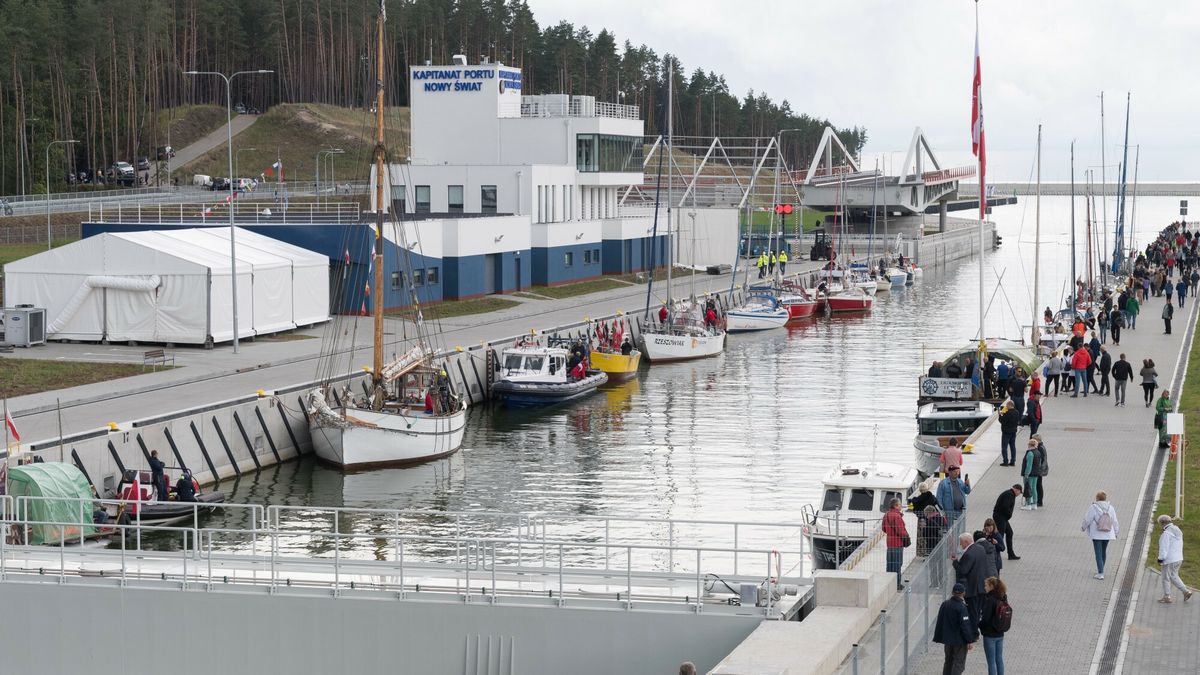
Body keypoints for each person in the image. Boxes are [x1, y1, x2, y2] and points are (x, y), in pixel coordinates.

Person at [933, 582, 978, 675]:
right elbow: (965, 626)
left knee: (948, 661)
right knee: (958, 663)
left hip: (948, 640)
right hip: (959, 641)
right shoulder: (962, 608)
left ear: (953, 592)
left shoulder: (945, 604)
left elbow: (940, 621)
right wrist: (969, 640)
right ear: (963, 593)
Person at [954, 532, 989, 631]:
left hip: (972, 588)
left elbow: (963, 570)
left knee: (972, 612)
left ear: (966, 541)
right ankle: (975, 631)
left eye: (961, 543)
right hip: (981, 586)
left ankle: (974, 633)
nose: (961, 545)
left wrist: (955, 562)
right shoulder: (980, 549)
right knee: (977, 611)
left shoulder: (969, 554)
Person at [1081, 491, 1119, 580]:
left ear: (1097, 498)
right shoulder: (1111, 508)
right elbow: (1114, 521)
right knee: (1103, 551)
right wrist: (1116, 532)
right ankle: (1101, 569)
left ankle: (1100, 573)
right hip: (1108, 533)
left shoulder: (1093, 507)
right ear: (1105, 498)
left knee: (1098, 553)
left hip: (1097, 534)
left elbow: (1087, 519)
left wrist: (1083, 527)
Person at [978, 576, 1010, 675]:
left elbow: (986, 618)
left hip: (989, 635)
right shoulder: (1003, 597)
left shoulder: (990, 600)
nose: (984, 587)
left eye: (986, 585)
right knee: (999, 659)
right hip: (1000, 633)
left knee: (991, 662)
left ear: (991, 586)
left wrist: (979, 625)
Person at [1156, 514, 1192, 603]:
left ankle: (1167, 596)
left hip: (1169, 559)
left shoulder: (1166, 534)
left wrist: (1161, 559)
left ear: (1162, 523)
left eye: (1160, 523)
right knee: (1173, 576)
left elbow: (1164, 547)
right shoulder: (1177, 530)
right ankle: (1186, 592)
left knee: (1165, 577)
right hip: (1179, 558)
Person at [882, 497, 909, 590]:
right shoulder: (897, 516)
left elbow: (884, 529)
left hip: (889, 543)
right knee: (897, 564)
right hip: (897, 543)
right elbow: (901, 530)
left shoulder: (886, 515)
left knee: (890, 564)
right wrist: (906, 537)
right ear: (895, 506)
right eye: (900, 504)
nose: (901, 506)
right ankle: (897, 584)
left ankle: (889, 583)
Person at [992, 484, 1022, 561]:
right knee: (1000, 536)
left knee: (1009, 533)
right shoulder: (1009, 495)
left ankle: (1011, 554)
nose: (1019, 494)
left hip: (1002, 517)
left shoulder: (1010, 494)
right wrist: (1009, 514)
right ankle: (995, 553)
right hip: (1000, 517)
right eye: (1019, 492)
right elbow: (1005, 506)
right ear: (1016, 490)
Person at [998, 401, 1019, 466]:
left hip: (1006, 432)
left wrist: (1000, 415)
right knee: (1013, 447)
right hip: (1014, 432)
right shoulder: (1017, 412)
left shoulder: (1007, 413)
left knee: (1004, 447)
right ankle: (1013, 461)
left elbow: (1002, 421)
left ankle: (1005, 461)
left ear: (1010, 405)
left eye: (1007, 405)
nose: (1006, 407)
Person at [1020, 440, 1039, 511]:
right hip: (1036, 473)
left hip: (1029, 474)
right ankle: (1034, 504)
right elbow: (1039, 464)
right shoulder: (1038, 452)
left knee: (1028, 488)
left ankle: (1028, 504)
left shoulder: (1030, 453)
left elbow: (1029, 465)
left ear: (1029, 445)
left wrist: (1026, 474)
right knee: (1034, 488)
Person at [1032, 434, 1049, 508]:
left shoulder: (1040, 448)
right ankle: (1038, 500)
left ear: (1038, 440)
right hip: (1039, 469)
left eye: (1033, 440)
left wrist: (1040, 470)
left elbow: (1043, 459)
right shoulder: (1040, 447)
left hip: (1039, 470)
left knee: (1038, 485)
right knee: (1037, 485)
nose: (1032, 441)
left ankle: (1039, 501)